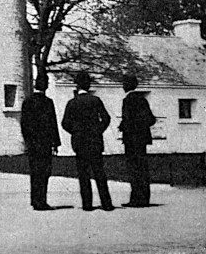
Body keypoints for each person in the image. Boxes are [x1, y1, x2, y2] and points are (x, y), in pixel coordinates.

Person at [62, 72, 114, 212]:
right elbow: (106, 118)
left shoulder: (72, 103)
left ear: (77, 85)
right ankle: (106, 203)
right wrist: (99, 130)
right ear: (88, 85)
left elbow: (65, 123)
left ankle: (87, 204)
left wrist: (75, 132)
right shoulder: (95, 100)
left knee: (83, 174)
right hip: (95, 140)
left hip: (80, 141)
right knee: (99, 173)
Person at [21, 75, 61, 210]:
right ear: (46, 85)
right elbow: (52, 123)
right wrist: (56, 142)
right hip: (45, 142)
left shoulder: (27, 101)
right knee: (44, 172)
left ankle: (34, 199)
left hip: (33, 143)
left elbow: (24, 124)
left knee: (34, 171)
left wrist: (27, 140)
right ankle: (41, 201)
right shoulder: (47, 102)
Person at [119, 74, 156, 208]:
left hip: (131, 139)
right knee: (142, 168)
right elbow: (151, 119)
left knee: (133, 169)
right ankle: (144, 198)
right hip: (142, 139)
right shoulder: (142, 100)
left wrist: (124, 126)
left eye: (124, 83)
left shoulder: (127, 100)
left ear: (127, 85)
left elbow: (128, 120)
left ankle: (135, 198)